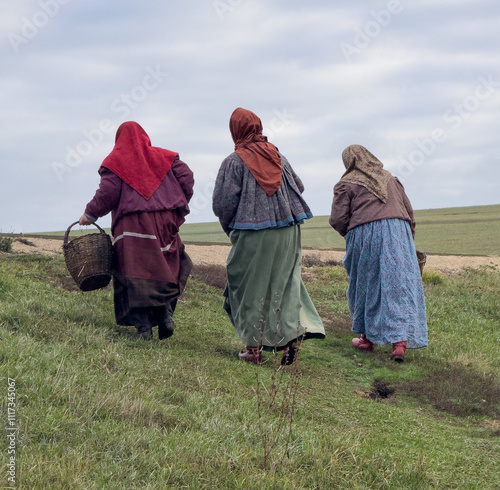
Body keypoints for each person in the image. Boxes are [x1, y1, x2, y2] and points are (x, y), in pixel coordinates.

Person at [212, 107, 325, 365]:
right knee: (285, 283)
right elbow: (300, 187)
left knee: (248, 286)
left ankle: (253, 349)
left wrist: (233, 227)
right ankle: (290, 340)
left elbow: (223, 203)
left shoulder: (234, 161)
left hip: (254, 233)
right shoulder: (279, 156)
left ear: (235, 130)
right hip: (289, 230)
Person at [79, 121, 194, 340]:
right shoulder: (166, 157)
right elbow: (186, 178)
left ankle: (144, 327)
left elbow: (108, 192)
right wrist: (175, 200)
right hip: (165, 221)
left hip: (133, 223)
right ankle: (164, 313)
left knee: (132, 273)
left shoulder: (116, 161)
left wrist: (89, 214)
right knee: (163, 265)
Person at [329, 144, 427, 362]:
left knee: (365, 283)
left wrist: (353, 234)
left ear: (349, 162)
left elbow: (337, 219)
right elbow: (409, 212)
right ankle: (400, 343)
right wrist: (406, 240)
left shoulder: (345, 184)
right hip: (398, 232)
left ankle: (367, 338)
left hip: (365, 234)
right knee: (398, 285)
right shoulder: (390, 179)